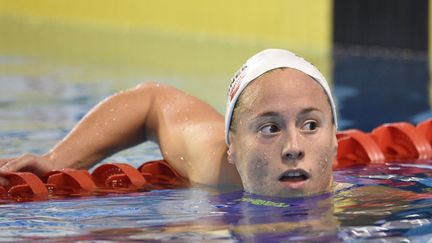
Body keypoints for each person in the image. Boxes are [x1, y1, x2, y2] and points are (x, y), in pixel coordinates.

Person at [0, 49, 338, 198]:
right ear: (231, 146)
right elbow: (152, 100)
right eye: (270, 128)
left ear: (335, 137)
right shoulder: (220, 167)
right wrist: (59, 161)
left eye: (310, 125)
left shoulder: (370, 205)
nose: (293, 148)